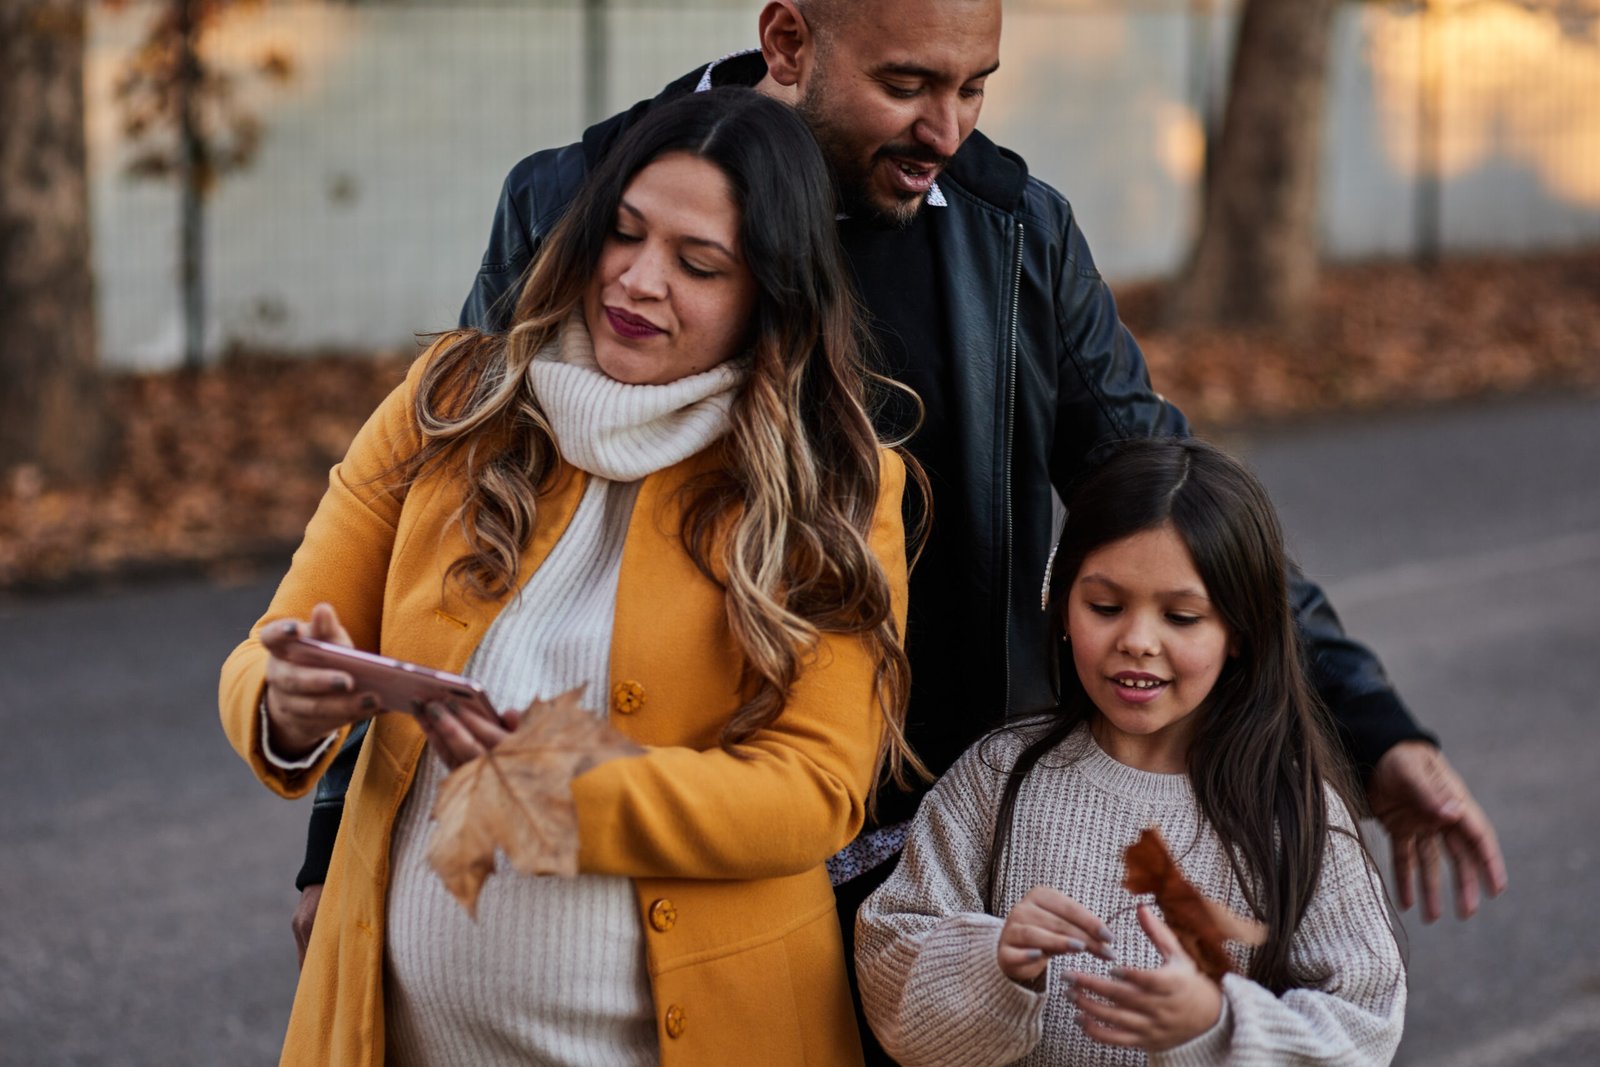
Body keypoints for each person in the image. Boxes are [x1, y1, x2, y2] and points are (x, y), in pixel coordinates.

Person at [292, 0, 1504, 1032]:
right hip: (659, 848)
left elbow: (1162, 488)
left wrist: (1371, 720)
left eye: (975, 86)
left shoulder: (1011, 229)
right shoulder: (578, 200)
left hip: (933, 854)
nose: (948, 129)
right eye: (909, 85)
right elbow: (444, 538)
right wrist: (341, 838)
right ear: (787, 41)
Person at [220, 87, 922, 1065]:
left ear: (772, 294)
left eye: (698, 264)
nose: (638, 279)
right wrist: (286, 703)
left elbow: (816, 787)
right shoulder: (448, 402)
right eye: (622, 233)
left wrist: (578, 792)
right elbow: (271, 646)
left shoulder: (840, 482)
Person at [855, 437, 1406, 1066]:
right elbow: (888, 973)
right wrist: (992, 961)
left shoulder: (1294, 811)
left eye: (1182, 617)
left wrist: (1217, 1026)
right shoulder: (999, 776)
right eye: (1106, 606)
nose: (1138, 640)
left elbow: (1364, 1024)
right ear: (1061, 604)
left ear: (1241, 632)